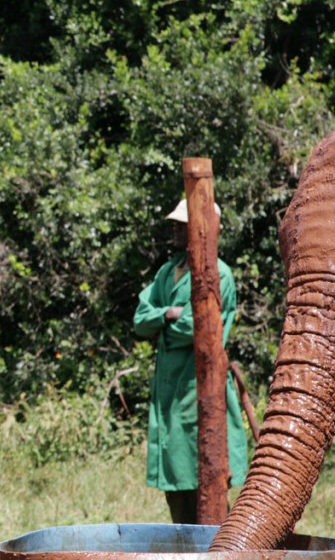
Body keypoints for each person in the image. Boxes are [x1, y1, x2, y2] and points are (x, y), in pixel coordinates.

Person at [133, 198, 248, 524]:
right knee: (178, 492)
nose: (175, 229)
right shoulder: (168, 271)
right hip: (170, 396)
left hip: (200, 392)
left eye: (182, 225)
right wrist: (167, 313)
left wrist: (163, 327)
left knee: (209, 488)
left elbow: (202, 328)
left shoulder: (218, 274)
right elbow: (141, 319)